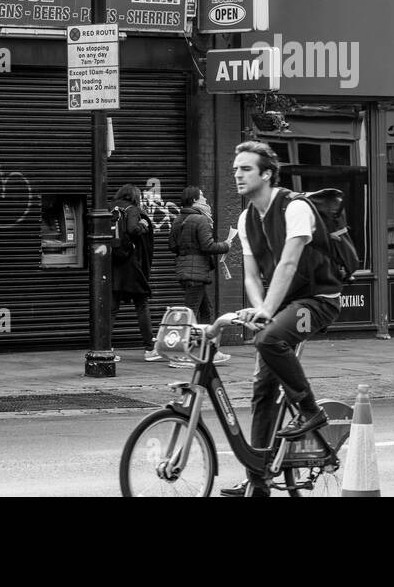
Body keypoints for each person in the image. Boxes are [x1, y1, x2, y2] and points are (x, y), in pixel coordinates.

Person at [221, 141, 342, 497]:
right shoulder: (246, 219)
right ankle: (257, 479)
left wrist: (267, 313)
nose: (238, 175)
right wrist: (260, 309)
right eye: (235, 170)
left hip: (318, 300)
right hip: (282, 303)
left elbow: (288, 263)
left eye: (245, 169)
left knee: (269, 339)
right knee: (261, 390)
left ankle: (310, 410)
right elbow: (250, 277)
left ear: (267, 173)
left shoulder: (294, 208)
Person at [171, 187, 236, 367]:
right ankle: (183, 356)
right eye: (202, 197)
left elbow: (172, 246)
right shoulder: (200, 219)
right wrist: (226, 245)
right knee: (191, 313)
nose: (206, 200)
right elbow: (208, 246)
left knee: (205, 311)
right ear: (194, 200)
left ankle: (207, 350)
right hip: (197, 272)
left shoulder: (178, 219)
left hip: (185, 271)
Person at [110, 184, 162, 362]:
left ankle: (105, 347)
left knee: (111, 309)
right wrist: (144, 224)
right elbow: (133, 230)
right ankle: (149, 348)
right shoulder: (132, 210)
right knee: (141, 304)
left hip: (111, 263)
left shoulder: (111, 208)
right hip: (130, 265)